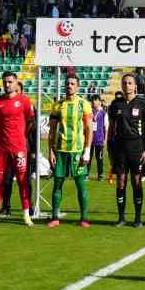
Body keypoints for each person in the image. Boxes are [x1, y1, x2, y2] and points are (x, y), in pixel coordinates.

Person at [46, 73, 93, 227]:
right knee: (57, 184)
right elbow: (52, 131)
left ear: (77, 86)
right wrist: (50, 151)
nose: (69, 86)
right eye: (68, 83)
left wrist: (87, 151)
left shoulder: (83, 104)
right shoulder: (58, 105)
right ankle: (54, 217)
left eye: (73, 83)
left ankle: (84, 218)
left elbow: (89, 129)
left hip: (77, 151)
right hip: (60, 150)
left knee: (81, 185)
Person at [0, 71, 36, 225]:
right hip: (1, 148)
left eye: (10, 82)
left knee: (23, 181)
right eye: (5, 82)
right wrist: (2, 137)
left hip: (19, 149)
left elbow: (30, 122)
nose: (7, 85)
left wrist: (19, 136)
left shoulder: (24, 101)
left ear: (16, 83)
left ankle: (26, 215)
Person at [109, 73, 145, 224]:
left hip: (136, 147)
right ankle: (121, 217)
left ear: (135, 86)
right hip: (119, 147)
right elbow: (111, 129)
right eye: (124, 83)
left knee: (136, 181)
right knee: (121, 181)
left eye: (130, 83)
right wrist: (110, 148)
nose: (127, 85)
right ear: (121, 85)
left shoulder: (142, 104)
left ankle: (138, 217)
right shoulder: (115, 105)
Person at [89, 93, 108, 181]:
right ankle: (86, 174)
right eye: (92, 100)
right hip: (89, 140)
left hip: (99, 140)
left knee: (99, 159)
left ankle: (100, 175)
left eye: (95, 100)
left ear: (99, 102)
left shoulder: (103, 113)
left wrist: (105, 140)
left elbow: (106, 127)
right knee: (87, 158)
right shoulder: (89, 112)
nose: (93, 102)